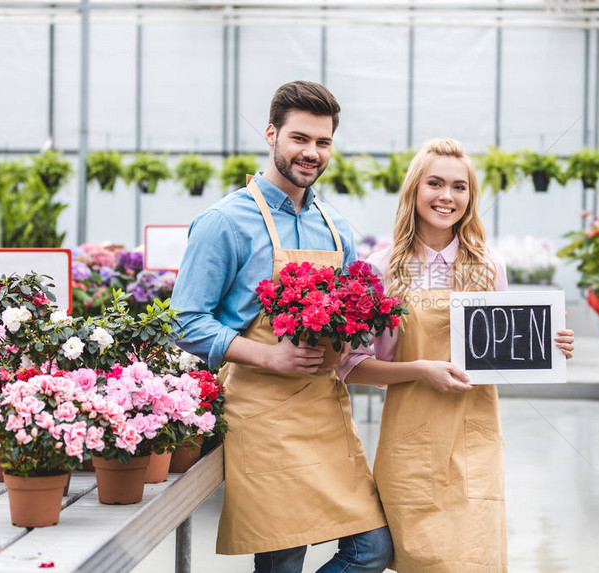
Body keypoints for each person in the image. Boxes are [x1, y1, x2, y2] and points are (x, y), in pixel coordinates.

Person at [171, 81, 392, 573]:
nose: (311, 153)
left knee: (374, 547)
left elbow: (357, 323)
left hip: (324, 408)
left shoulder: (336, 227)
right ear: (271, 134)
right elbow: (185, 322)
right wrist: (269, 355)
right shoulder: (225, 221)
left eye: (323, 142)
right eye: (299, 138)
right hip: (261, 413)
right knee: (284, 557)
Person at [335, 138, 575, 572]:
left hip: (475, 436)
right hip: (410, 435)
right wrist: (420, 371)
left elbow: (502, 354)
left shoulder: (488, 267)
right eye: (435, 183)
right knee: (421, 559)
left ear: (470, 196)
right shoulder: (380, 268)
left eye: (459, 187)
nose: (447, 196)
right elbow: (351, 367)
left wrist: (547, 344)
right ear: (414, 190)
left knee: (474, 558)